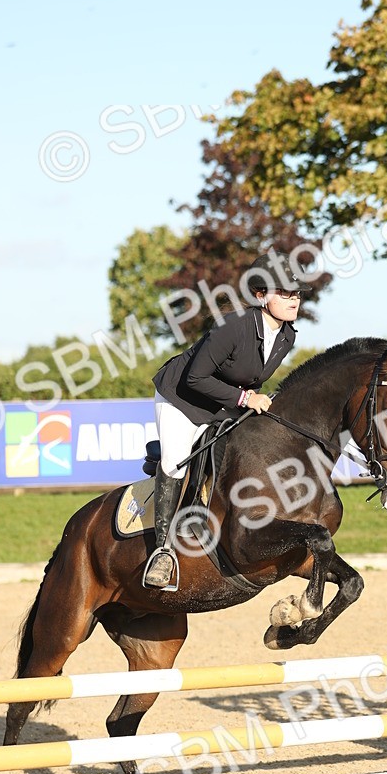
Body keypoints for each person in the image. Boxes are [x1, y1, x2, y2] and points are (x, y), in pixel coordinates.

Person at [143, 252, 308, 589]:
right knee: (176, 462)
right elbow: (195, 379)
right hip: (182, 399)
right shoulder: (231, 327)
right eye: (285, 293)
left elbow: (252, 378)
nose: (294, 300)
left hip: (220, 402)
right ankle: (162, 552)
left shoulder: (288, 337)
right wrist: (246, 399)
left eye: (297, 293)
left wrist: (255, 400)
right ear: (261, 296)